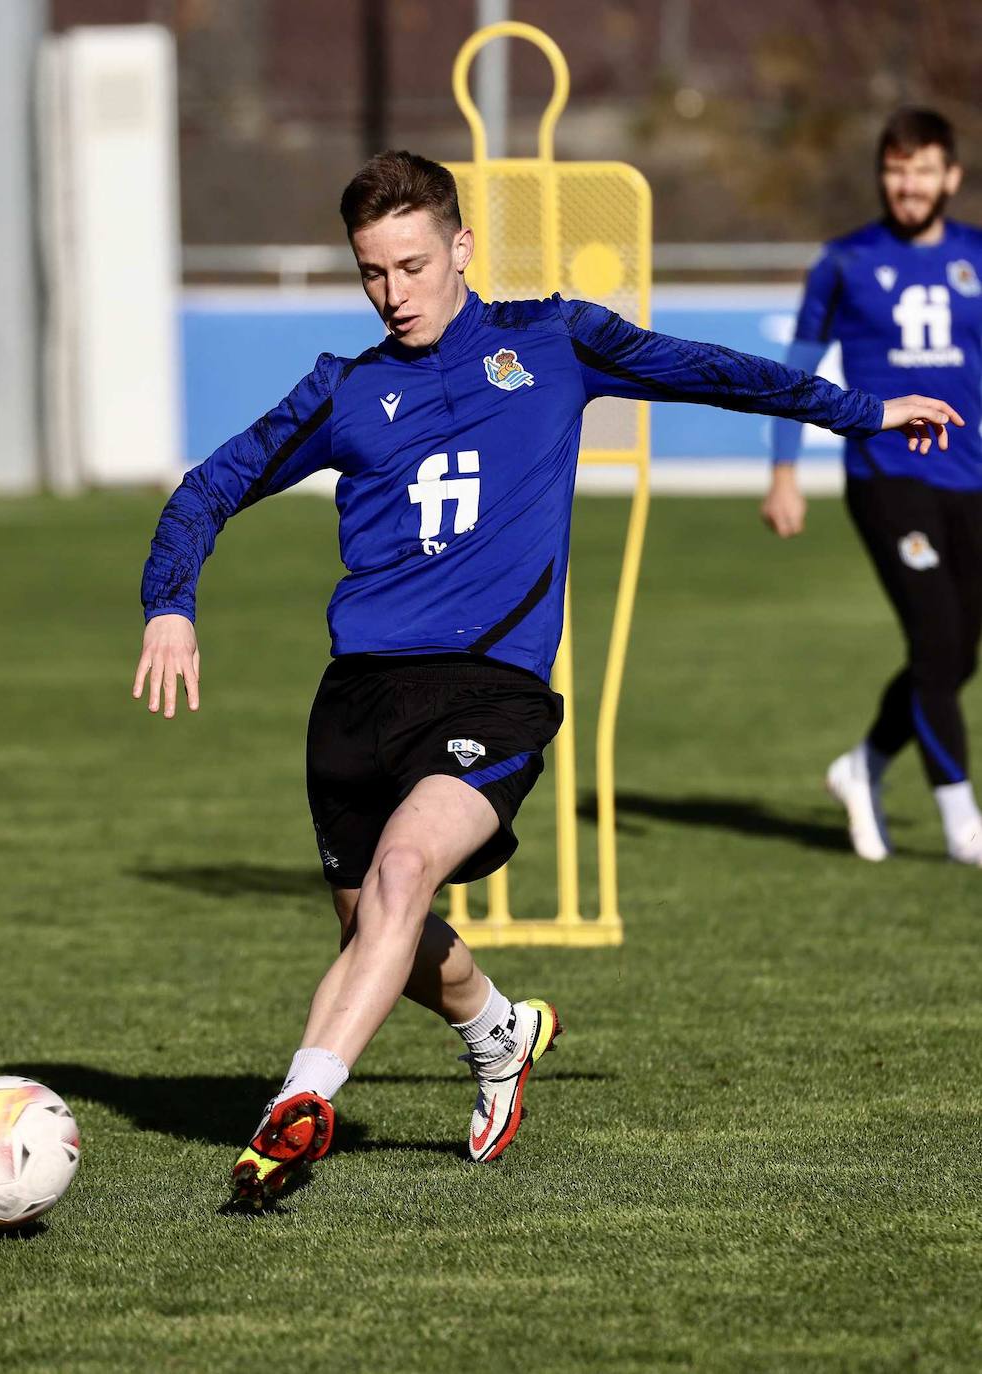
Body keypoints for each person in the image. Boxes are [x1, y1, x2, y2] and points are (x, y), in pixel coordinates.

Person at [135, 150, 960, 1209]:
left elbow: (710, 370)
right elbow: (208, 489)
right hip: (355, 700)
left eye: (413, 266)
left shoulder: (554, 340)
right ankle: (498, 1029)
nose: (395, 294)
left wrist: (859, 411)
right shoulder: (345, 390)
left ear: (462, 247)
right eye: (372, 272)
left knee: (400, 877)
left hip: (491, 690)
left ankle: (295, 1110)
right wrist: (170, 601)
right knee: (375, 930)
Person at [762, 109, 982, 866]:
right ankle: (962, 825)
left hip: (970, 478)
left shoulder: (976, 257)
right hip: (885, 476)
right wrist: (783, 471)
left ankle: (862, 769)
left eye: (922, 169)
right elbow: (795, 368)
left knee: (956, 656)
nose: (907, 184)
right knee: (932, 638)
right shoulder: (843, 261)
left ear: (949, 176)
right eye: (895, 168)